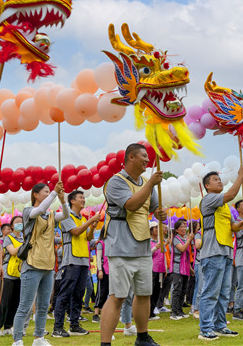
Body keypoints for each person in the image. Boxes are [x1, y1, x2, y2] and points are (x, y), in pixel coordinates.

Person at [99, 143, 166, 346]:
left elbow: (153, 208)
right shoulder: (115, 182)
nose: (148, 160)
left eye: (148, 157)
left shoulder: (147, 182)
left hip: (143, 247)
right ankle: (105, 343)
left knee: (144, 293)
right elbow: (131, 205)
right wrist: (151, 184)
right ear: (131, 158)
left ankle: (142, 337)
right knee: (117, 296)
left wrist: (160, 213)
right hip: (120, 247)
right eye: (144, 156)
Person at [11, 181, 67, 346]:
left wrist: (63, 200)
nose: (48, 193)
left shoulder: (50, 216)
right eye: (45, 191)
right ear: (35, 194)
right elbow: (41, 209)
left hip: (48, 265)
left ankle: (38, 338)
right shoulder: (29, 211)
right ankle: (18, 339)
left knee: (43, 306)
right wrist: (54, 193)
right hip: (32, 264)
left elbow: (65, 215)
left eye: (49, 191)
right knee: (25, 306)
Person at [196, 167, 243, 341]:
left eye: (219, 178)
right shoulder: (209, 199)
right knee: (211, 291)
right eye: (215, 179)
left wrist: (240, 225)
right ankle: (205, 328)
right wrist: (240, 177)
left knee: (224, 292)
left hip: (225, 250)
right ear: (207, 186)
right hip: (212, 250)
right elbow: (231, 195)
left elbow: (232, 226)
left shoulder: (223, 206)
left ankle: (220, 325)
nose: (219, 181)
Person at [52, 189, 99, 338]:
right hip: (70, 261)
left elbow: (88, 238)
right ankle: (58, 327)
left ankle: (74, 325)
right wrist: (90, 221)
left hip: (83, 260)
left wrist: (91, 227)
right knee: (65, 294)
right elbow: (76, 232)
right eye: (80, 197)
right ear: (72, 201)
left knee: (78, 294)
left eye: (84, 197)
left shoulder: (82, 219)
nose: (83, 200)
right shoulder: (66, 216)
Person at [0, 215, 24, 336]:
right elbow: (13, 251)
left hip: (20, 273)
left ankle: (8, 326)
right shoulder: (8, 238)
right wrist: (26, 244)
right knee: (5, 301)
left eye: (21, 222)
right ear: (11, 225)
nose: (19, 224)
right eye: (17, 222)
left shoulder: (24, 238)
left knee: (15, 301)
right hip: (8, 273)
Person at [169, 219, 193, 320]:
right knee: (177, 289)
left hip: (185, 267)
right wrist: (189, 240)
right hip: (177, 267)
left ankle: (179, 310)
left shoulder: (184, 239)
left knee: (183, 290)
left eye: (185, 226)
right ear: (177, 229)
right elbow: (182, 249)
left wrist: (191, 269)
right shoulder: (176, 239)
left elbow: (187, 255)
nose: (184, 228)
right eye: (182, 227)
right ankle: (174, 311)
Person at [149, 222, 168, 318]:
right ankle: (149, 312)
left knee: (157, 290)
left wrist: (165, 267)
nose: (157, 230)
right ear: (151, 230)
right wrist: (155, 248)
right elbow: (147, 254)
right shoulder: (149, 241)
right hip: (152, 268)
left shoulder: (160, 241)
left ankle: (152, 310)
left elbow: (164, 255)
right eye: (155, 228)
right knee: (151, 291)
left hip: (160, 269)